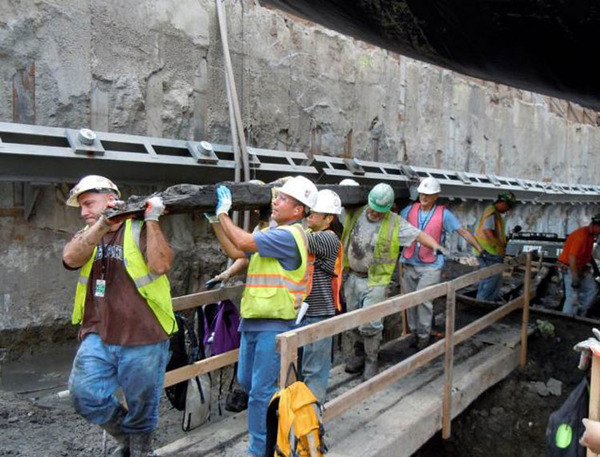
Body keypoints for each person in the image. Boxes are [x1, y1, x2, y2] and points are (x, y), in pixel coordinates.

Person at [62, 175, 176, 457]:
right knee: (84, 395)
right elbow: (70, 259)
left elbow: (161, 264)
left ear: (110, 200)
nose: (83, 211)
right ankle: (128, 441)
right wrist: (101, 224)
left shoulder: (140, 228)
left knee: (142, 405)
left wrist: (152, 220)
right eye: (81, 207)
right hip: (99, 333)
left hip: (144, 335)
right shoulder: (90, 233)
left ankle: (139, 451)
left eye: (88, 204)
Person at [211, 175, 317, 457]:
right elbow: (237, 249)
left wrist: (223, 213)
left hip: (276, 323)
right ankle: (277, 426)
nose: (275, 201)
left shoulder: (289, 235)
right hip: (254, 320)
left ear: (298, 210)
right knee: (247, 382)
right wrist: (214, 221)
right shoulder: (271, 235)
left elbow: (243, 240)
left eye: (283, 198)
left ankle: (259, 449)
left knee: (259, 392)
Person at [341, 182, 448, 379]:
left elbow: (418, 235)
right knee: (353, 320)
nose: (376, 214)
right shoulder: (356, 211)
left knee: (371, 323)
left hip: (376, 281)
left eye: (380, 212)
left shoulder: (395, 223)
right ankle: (359, 354)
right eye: (373, 210)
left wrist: (436, 246)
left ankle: (371, 359)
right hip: (353, 277)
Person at [400, 177, 485, 349]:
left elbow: (462, 231)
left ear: (436, 196)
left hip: (431, 265)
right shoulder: (408, 211)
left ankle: (424, 336)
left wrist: (480, 249)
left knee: (423, 299)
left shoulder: (444, 214)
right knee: (410, 301)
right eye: (422, 193)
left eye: (428, 195)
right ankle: (415, 332)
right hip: (408, 262)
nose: (424, 197)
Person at [297, 189, 344, 403]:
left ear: (329, 218)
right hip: (304, 312)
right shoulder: (315, 235)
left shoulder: (328, 239)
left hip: (318, 313)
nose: (309, 215)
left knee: (313, 371)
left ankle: (313, 419)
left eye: (315, 212)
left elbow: (297, 240)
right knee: (302, 368)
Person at [473, 191, 517, 301]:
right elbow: (487, 231)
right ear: (503, 203)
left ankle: (485, 301)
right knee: (491, 279)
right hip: (489, 252)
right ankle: (483, 303)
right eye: (508, 206)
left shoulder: (493, 212)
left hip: (485, 251)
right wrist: (497, 244)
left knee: (489, 278)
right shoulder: (491, 212)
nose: (508, 209)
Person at [558, 214, 600, 316]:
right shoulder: (581, 237)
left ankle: (579, 312)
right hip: (568, 267)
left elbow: (588, 254)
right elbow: (572, 257)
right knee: (572, 296)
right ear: (595, 225)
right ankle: (566, 318)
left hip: (581, 267)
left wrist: (595, 268)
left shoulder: (590, 236)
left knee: (592, 289)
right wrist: (575, 276)